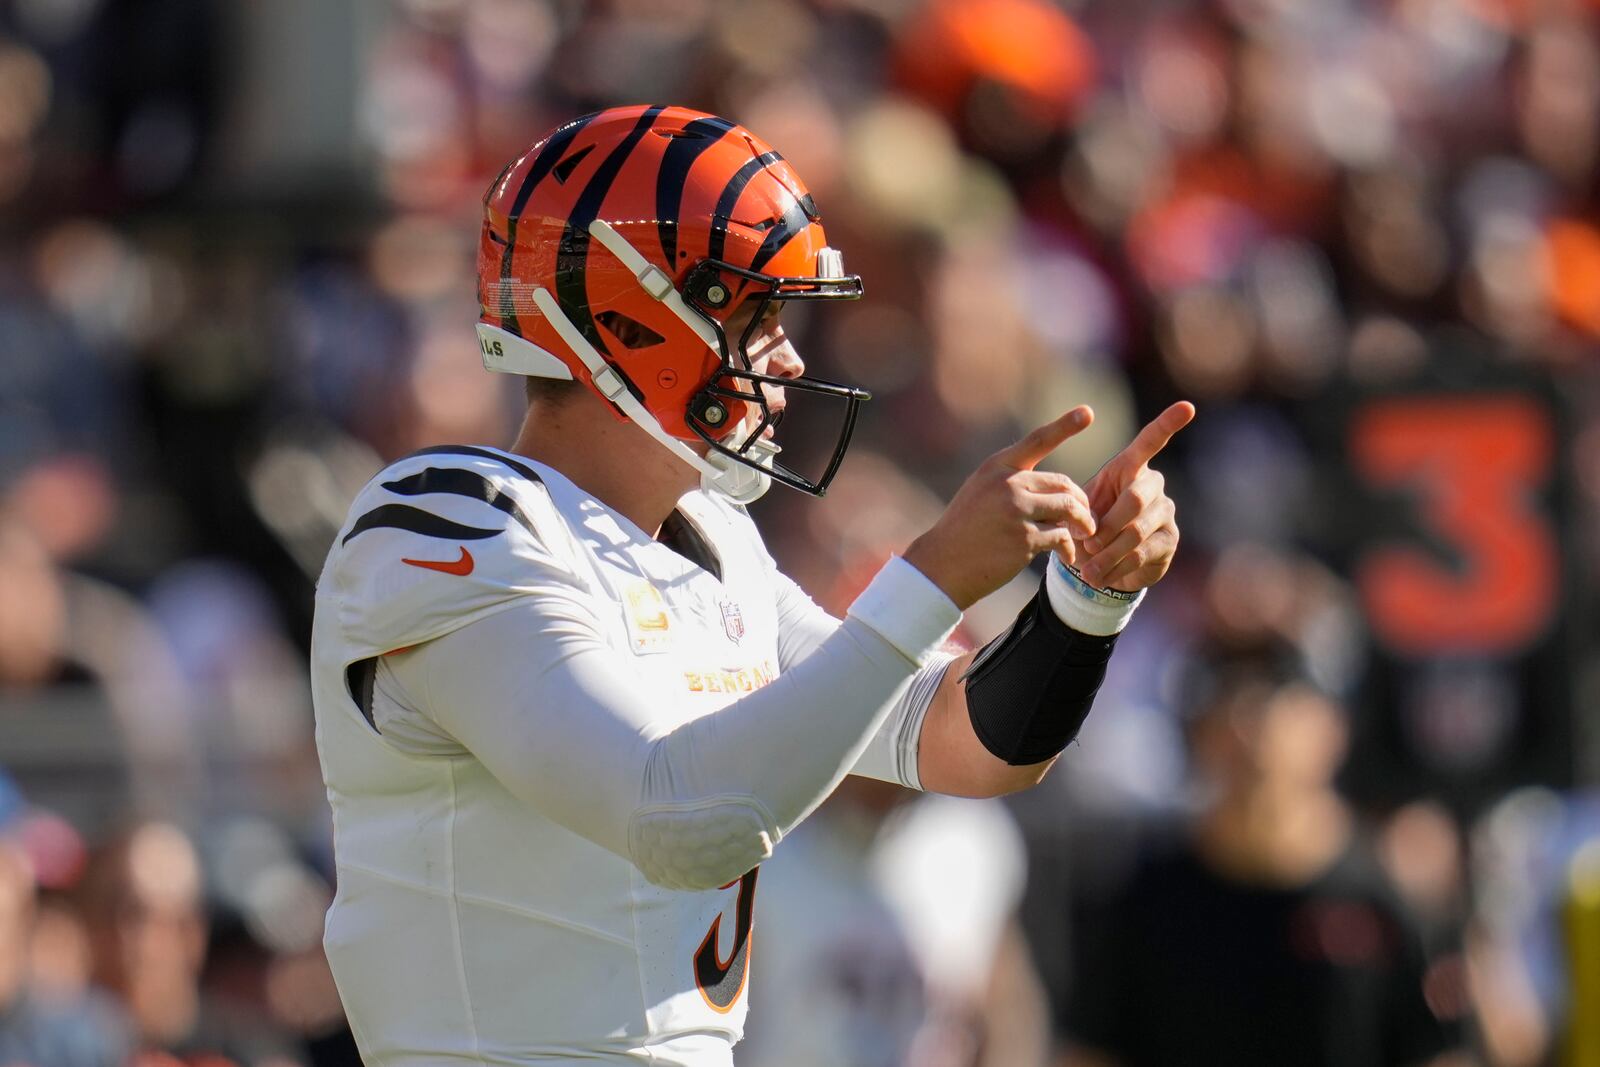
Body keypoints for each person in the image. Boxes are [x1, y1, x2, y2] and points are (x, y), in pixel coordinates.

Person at [309, 105, 1192, 1066]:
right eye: (757, 315)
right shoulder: (446, 522)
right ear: (630, 316)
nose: (789, 356)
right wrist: (933, 577)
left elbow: (968, 748)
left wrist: (1086, 600)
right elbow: (677, 821)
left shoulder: (716, 540)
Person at [1057, 642, 1464, 1067]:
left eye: (1274, 692)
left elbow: (1440, 1051)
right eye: (1229, 693)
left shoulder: (1393, 894)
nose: (1248, 722)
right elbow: (1091, 1050)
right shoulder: (1141, 895)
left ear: (1332, 728)